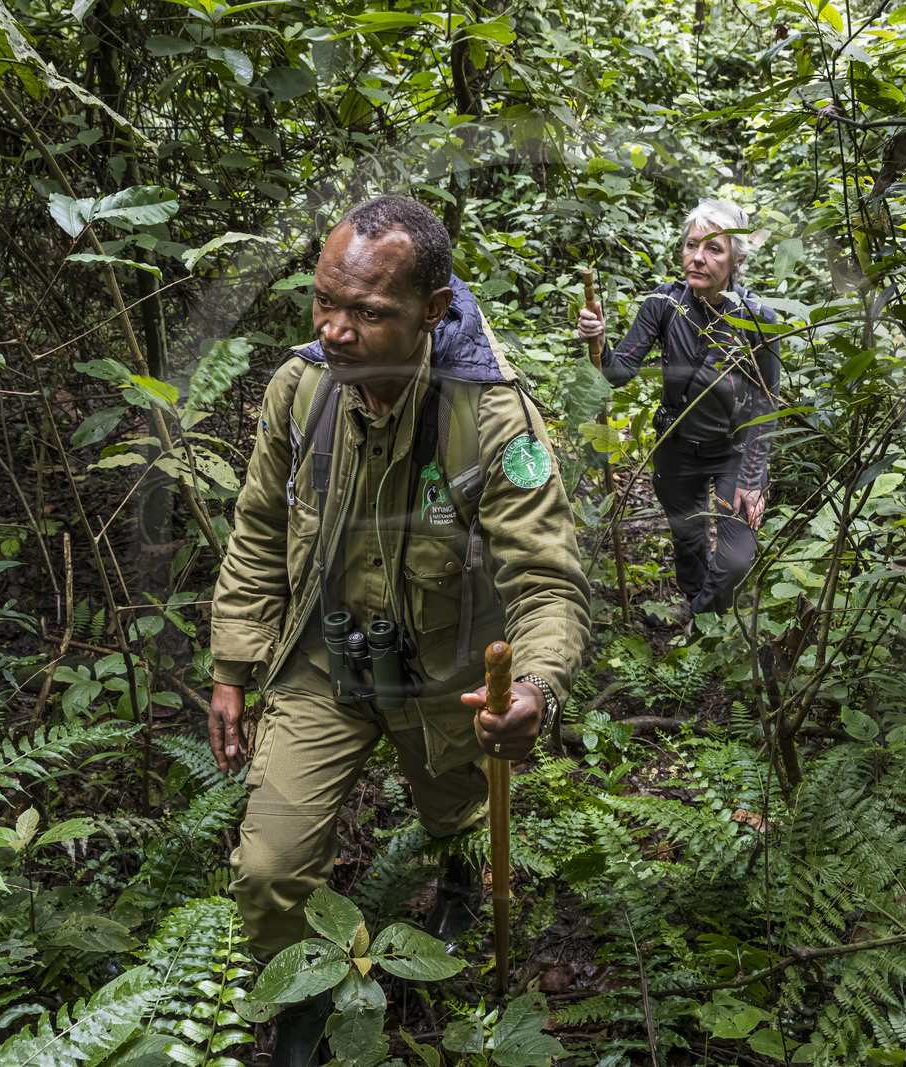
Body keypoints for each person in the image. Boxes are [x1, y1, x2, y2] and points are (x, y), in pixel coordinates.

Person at [209, 195, 590, 1067]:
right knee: (267, 871)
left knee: (453, 809)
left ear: (435, 309)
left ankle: (458, 872)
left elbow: (548, 581)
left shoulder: (493, 421)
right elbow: (261, 526)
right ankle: (297, 1004)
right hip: (324, 663)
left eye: (367, 312)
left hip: (448, 674)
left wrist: (535, 687)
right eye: (324, 303)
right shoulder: (299, 390)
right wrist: (233, 662)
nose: (336, 331)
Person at [577, 199, 780, 622]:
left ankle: (702, 623)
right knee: (687, 541)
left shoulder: (757, 318)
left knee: (736, 559)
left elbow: (766, 402)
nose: (698, 258)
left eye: (714, 249)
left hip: (732, 452)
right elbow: (617, 372)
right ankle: (698, 616)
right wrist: (597, 339)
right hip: (675, 446)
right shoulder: (662, 305)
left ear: (737, 259)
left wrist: (753, 478)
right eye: (691, 245)